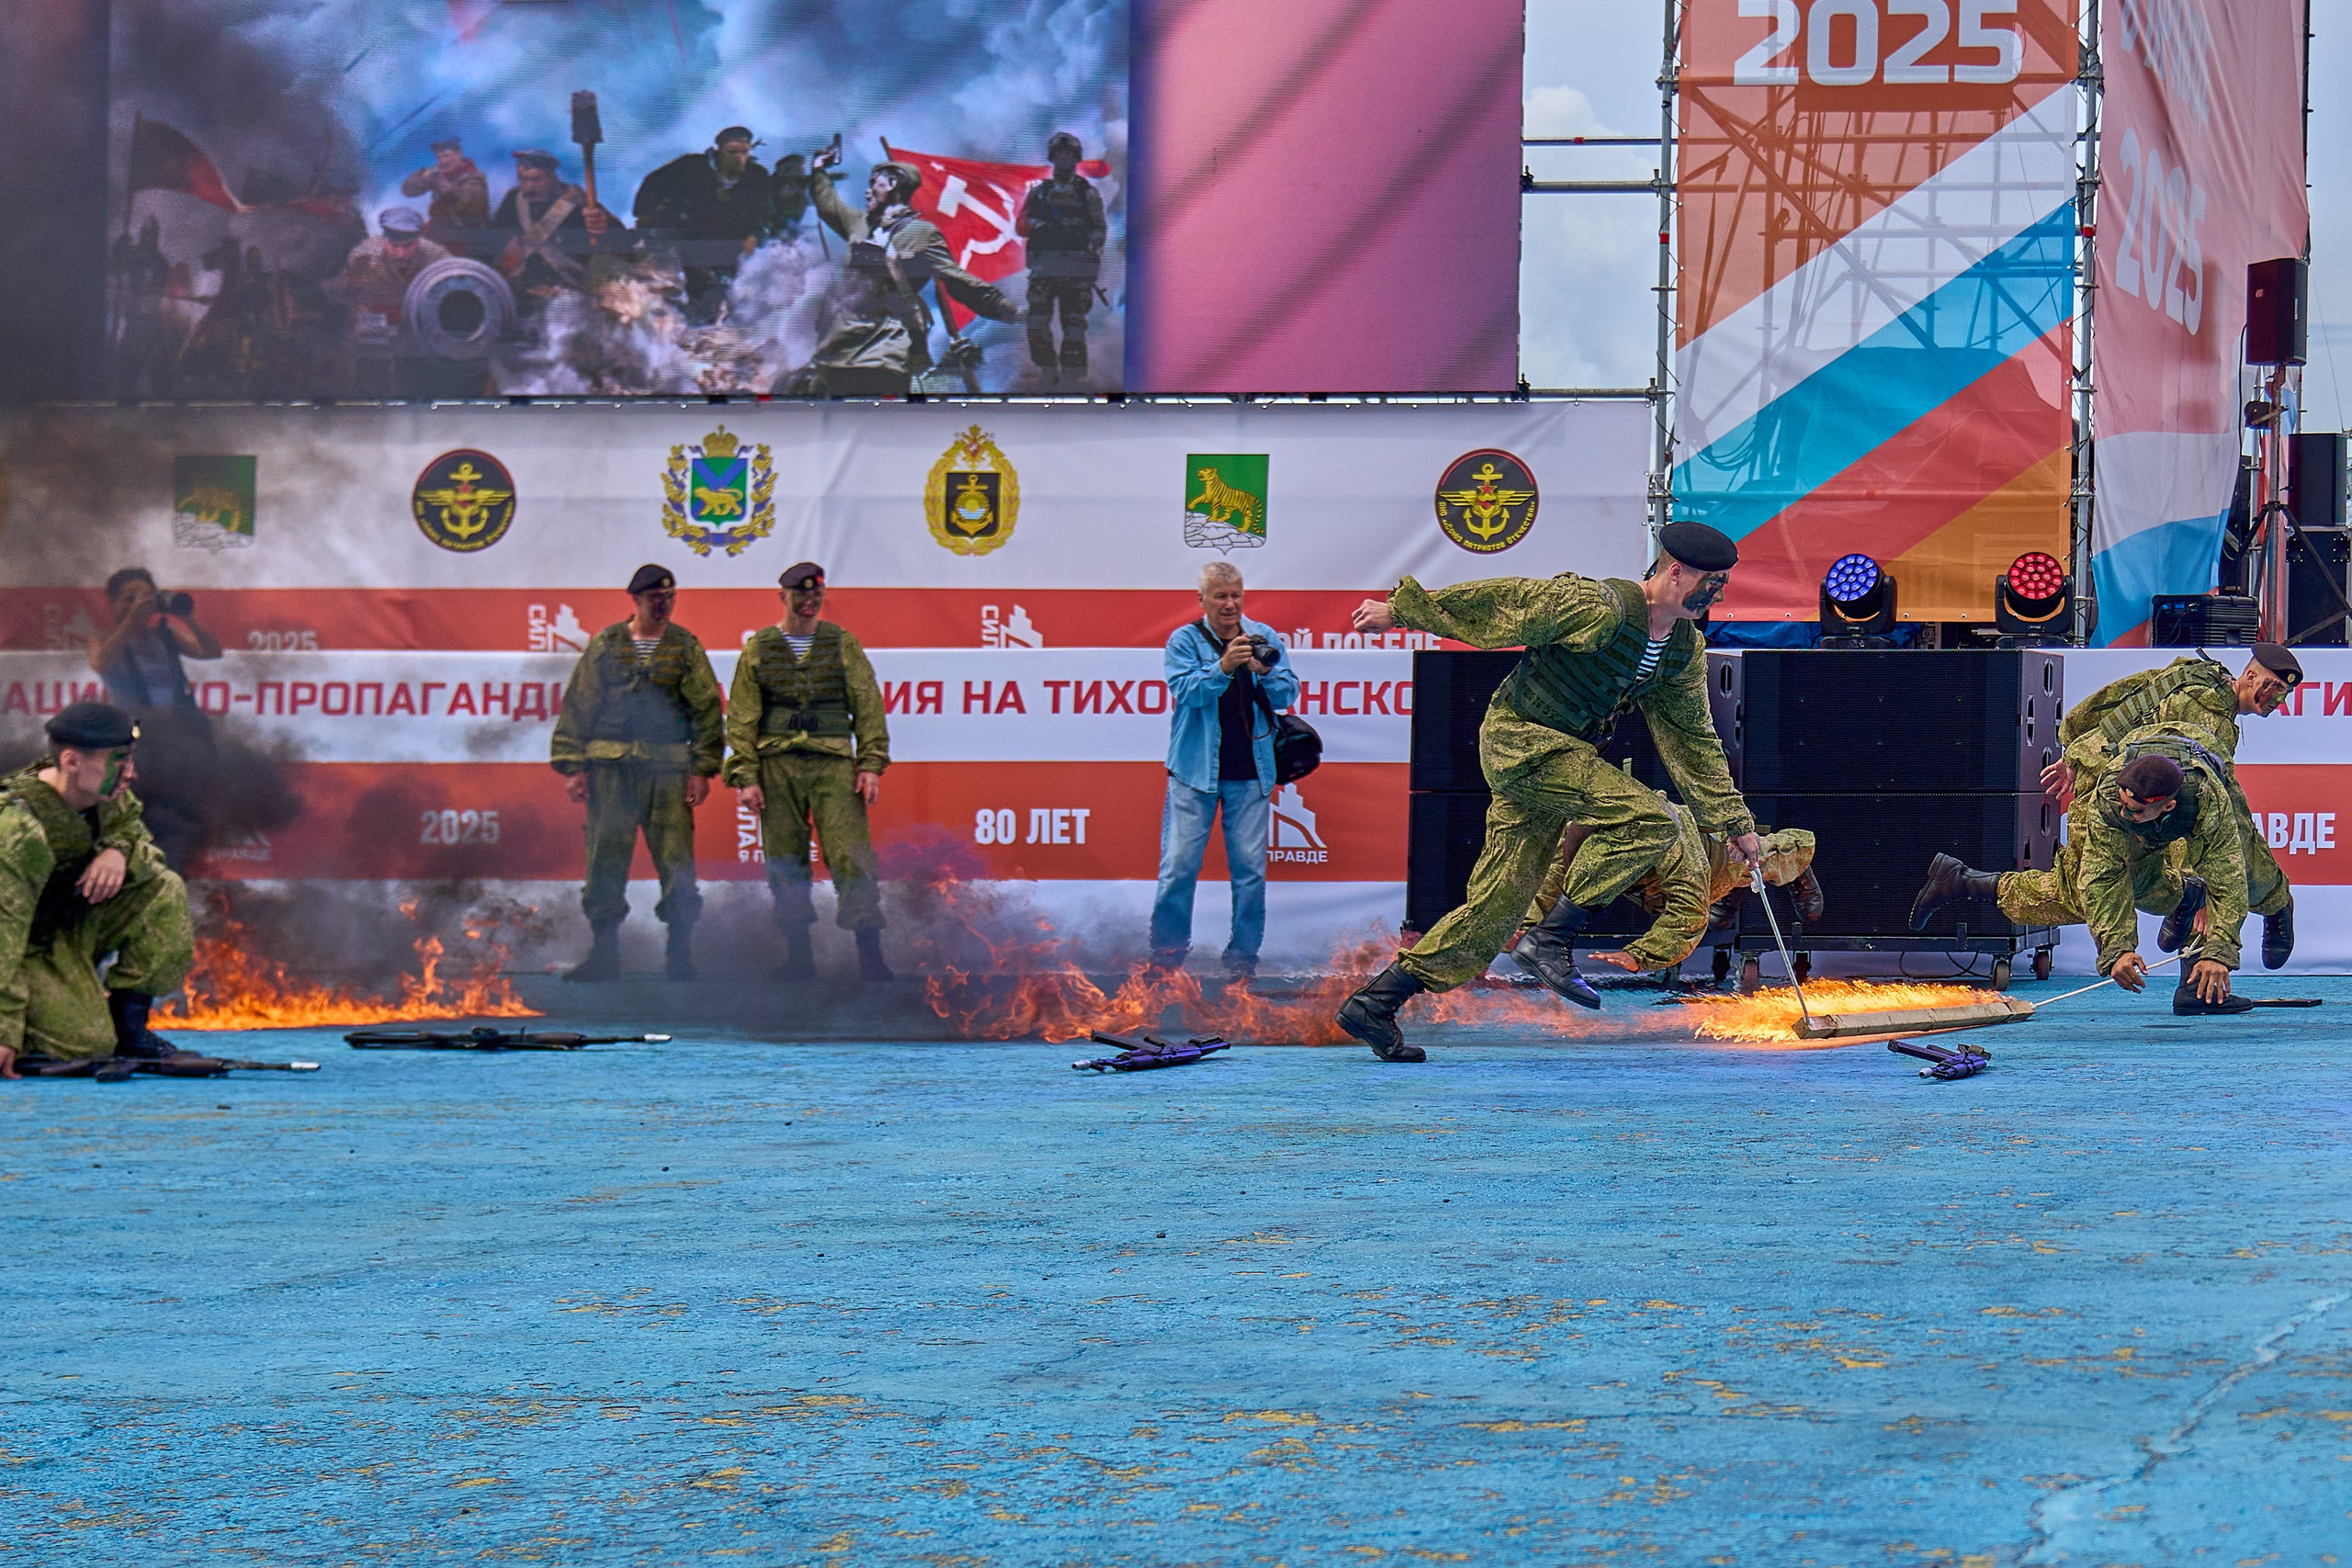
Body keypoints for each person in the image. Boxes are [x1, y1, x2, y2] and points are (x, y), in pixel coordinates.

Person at [1336, 522, 1759, 1062]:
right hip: (1521, 741)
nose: (1716, 594)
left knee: (1498, 905)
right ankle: (1551, 940)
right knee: (1651, 820)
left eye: (1723, 584)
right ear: (1675, 570)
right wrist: (1404, 611)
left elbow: (1693, 742)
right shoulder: (1601, 607)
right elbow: (1508, 604)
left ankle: (1376, 1002)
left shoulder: (1680, 652)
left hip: (1557, 764)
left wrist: (1736, 824)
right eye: (1711, 581)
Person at [1910, 748, 2244, 1009]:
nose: (2272, 701)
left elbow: (2226, 869)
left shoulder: (2204, 788)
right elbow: (2103, 883)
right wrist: (2117, 952)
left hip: (2152, 810)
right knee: (2080, 896)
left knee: (2183, 879)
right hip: (2107, 812)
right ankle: (1962, 880)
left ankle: (2196, 986)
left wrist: (2219, 947)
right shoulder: (2115, 800)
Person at [2039, 644, 2300, 966]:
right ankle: (2252, 914)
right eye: (2273, 689)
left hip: (2128, 782)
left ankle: (2269, 907)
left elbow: (2124, 701)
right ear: (2249, 676)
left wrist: (2078, 753)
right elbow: (2191, 811)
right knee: (2223, 864)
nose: (2278, 701)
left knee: (2236, 856)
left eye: (2283, 694)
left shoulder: (2200, 675)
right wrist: (2202, 890)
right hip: (2133, 790)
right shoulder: (2210, 718)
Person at [548, 565, 724, 983]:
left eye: (669, 597)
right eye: (654, 599)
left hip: (666, 770)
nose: (663, 605)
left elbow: (706, 709)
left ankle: (679, 955)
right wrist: (574, 766)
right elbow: (580, 704)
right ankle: (604, 955)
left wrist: (702, 769)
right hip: (610, 771)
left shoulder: (685, 647)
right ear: (636, 600)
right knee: (604, 861)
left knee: (677, 861)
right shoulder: (607, 645)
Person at [0, 704, 195, 1077]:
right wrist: (3, 1027)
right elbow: (3, 932)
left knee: (163, 888)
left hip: (65, 930)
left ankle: (130, 1030)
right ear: (71, 762)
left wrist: (117, 851)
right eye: (119, 762)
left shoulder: (105, 796)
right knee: (84, 1045)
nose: (131, 774)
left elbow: (132, 830)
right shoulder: (17, 829)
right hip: (20, 948)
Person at [725, 563, 894, 982]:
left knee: (852, 857)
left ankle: (870, 957)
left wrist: (871, 763)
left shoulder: (842, 644)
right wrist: (746, 776)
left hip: (833, 762)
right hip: (775, 765)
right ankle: (799, 957)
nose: (809, 601)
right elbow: (743, 717)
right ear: (783, 596)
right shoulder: (760, 647)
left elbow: (868, 702)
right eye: (800, 594)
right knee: (784, 861)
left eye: (816, 594)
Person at [1148, 562, 1302, 983]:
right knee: (1178, 868)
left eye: (1236, 594)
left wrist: (1264, 672)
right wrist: (1224, 667)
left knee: (1250, 873)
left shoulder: (1264, 638)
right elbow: (1186, 691)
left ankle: (1242, 959)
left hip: (1252, 773)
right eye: (1220, 595)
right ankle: (1166, 955)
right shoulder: (1183, 640)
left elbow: (1289, 691)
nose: (1230, 603)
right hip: (1194, 772)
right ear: (1202, 600)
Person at [797, 147, 1018, 396]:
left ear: (892, 184)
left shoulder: (921, 234)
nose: (867, 190)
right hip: (837, 348)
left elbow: (959, 282)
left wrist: (1007, 310)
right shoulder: (859, 224)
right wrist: (818, 169)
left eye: (874, 183)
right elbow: (828, 205)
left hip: (882, 351)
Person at [1513, 808, 1820, 987]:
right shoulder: (1576, 838)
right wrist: (1524, 927)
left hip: (1713, 863)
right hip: (1651, 885)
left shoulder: (1675, 845)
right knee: (1662, 900)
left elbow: (1690, 915)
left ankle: (1799, 862)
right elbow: (1548, 879)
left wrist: (1641, 956)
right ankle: (1734, 892)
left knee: (1758, 859)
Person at [86, 569, 224, 873]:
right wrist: (130, 621)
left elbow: (213, 651)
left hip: (179, 741)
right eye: (128, 598)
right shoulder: (103, 639)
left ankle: (175, 878)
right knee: (142, 815)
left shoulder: (166, 635)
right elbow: (103, 663)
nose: (137, 604)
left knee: (183, 814)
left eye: (144, 597)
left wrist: (184, 614)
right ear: (112, 604)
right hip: (137, 743)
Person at [633, 126, 802, 320]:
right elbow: (653, 184)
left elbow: (766, 213)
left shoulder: (757, 176)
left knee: (719, 297)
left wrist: (756, 235)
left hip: (728, 242)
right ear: (719, 152)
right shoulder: (691, 166)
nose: (739, 157)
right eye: (732, 152)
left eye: (744, 152)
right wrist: (645, 219)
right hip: (687, 235)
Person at [487, 149, 627, 311]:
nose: (528, 187)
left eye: (536, 180)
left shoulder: (577, 203)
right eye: (523, 180)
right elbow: (494, 241)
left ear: (551, 176)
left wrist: (604, 226)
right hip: (522, 294)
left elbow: (621, 240)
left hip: (569, 295)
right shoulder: (513, 200)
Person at [1017, 132, 1105, 385]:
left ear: (1076, 158)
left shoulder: (1088, 193)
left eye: (1069, 154)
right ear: (1053, 157)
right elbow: (1021, 224)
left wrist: (1085, 245)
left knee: (1074, 325)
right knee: (1037, 323)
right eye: (1060, 154)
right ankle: (1046, 368)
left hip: (1075, 268)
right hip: (1045, 266)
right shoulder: (1040, 193)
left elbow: (1099, 228)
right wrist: (1041, 226)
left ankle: (1072, 376)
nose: (1064, 158)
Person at [400, 138, 492, 251]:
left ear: (459, 154)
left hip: (466, 237)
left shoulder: (474, 178)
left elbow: (465, 203)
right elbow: (408, 191)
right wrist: (423, 176)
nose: (443, 162)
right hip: (439, 232)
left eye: (447, 156)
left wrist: (443, 185)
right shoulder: (438, 173)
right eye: (439, 157)